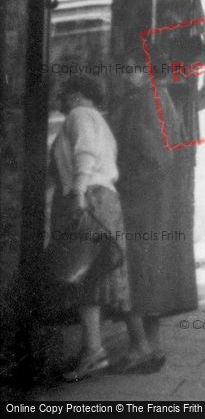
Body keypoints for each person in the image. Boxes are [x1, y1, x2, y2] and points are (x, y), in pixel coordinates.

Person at [114, 42, 198, 369]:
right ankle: (154, 345)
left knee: (132, 275)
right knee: (153, 276)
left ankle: (139, 348)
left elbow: (155, 158)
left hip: (141, 205)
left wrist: (125, 185)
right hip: (163, 205)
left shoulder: (142, 103)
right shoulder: (164, 98)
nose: (124, 75)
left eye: (130, 68)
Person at [48, 75, 131, 381]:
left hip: (90, 197)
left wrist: (78, 193)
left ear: (78, 95)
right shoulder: (98, 119)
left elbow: (85, 154)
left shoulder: (80, 115)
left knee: (81, 272)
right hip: (102, 197)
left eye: (65, 93)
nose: (61, 98)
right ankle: (92, 349)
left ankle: (93, 351)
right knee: (89, 277)